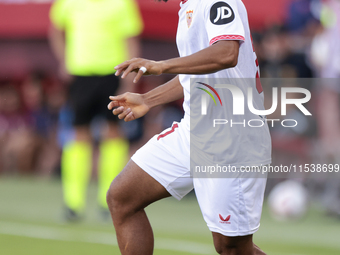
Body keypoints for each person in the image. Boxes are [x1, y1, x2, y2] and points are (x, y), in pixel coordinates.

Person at [107, 0, 271, 254]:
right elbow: (197, 74)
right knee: (122, 197)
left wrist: (161, 65)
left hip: (232, 136)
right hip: (193, 130)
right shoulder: (188, 7)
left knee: (231, 247)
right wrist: (148, 100)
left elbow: (227, 53)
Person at [49, 0, 143, 219]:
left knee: (113, 133)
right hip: (80, 74)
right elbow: (55, 29)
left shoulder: (123, 4)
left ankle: (108, 200)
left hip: (112, 75)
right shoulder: (67, 2)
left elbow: (131, 40)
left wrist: (130, 79)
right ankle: (73, 203)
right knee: (79, 134)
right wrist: (63, 60)